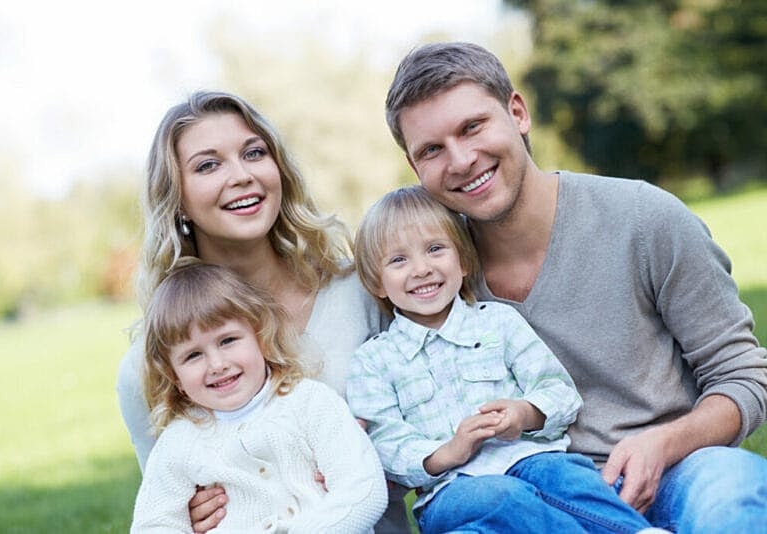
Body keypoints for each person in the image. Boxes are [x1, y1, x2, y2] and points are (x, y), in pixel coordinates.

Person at [383, 41, 767, 531]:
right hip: (529, 498)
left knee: (732, 491)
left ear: (517, 112)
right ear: (416, 169)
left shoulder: (646, 220)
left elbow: (743, 377)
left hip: (676, 470)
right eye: (432, 150)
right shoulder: (426, 279)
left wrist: (663, 443)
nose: (460, 160)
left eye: (472, 127)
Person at [116, 91, 410, 533]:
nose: (241, 176)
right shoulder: (146, 367)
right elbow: (164, 503)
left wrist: (378, 459)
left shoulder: (365, 293)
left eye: (254, 153)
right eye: (208, 165)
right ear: (176, 199)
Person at [348, 185, 663, 533]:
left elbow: (558, 391)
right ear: (377, 282)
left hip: (531, 460)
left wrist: (523, 413)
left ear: (463, 260)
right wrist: (450, 451)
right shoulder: (374, 360)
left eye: (435, 249)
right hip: (452, 490)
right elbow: (386, 445)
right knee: (502, 495)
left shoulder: (498, 322)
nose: (421, 269)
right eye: (398, 260)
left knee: (567, 476)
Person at [131, 260, 387, 532]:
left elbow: (363, 487)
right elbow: (154, 524)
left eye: (227, 341)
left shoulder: (310, 403)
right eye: (193, 355)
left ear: (260, 337)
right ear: (175, 377)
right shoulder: (179, 442)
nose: (217, 364)